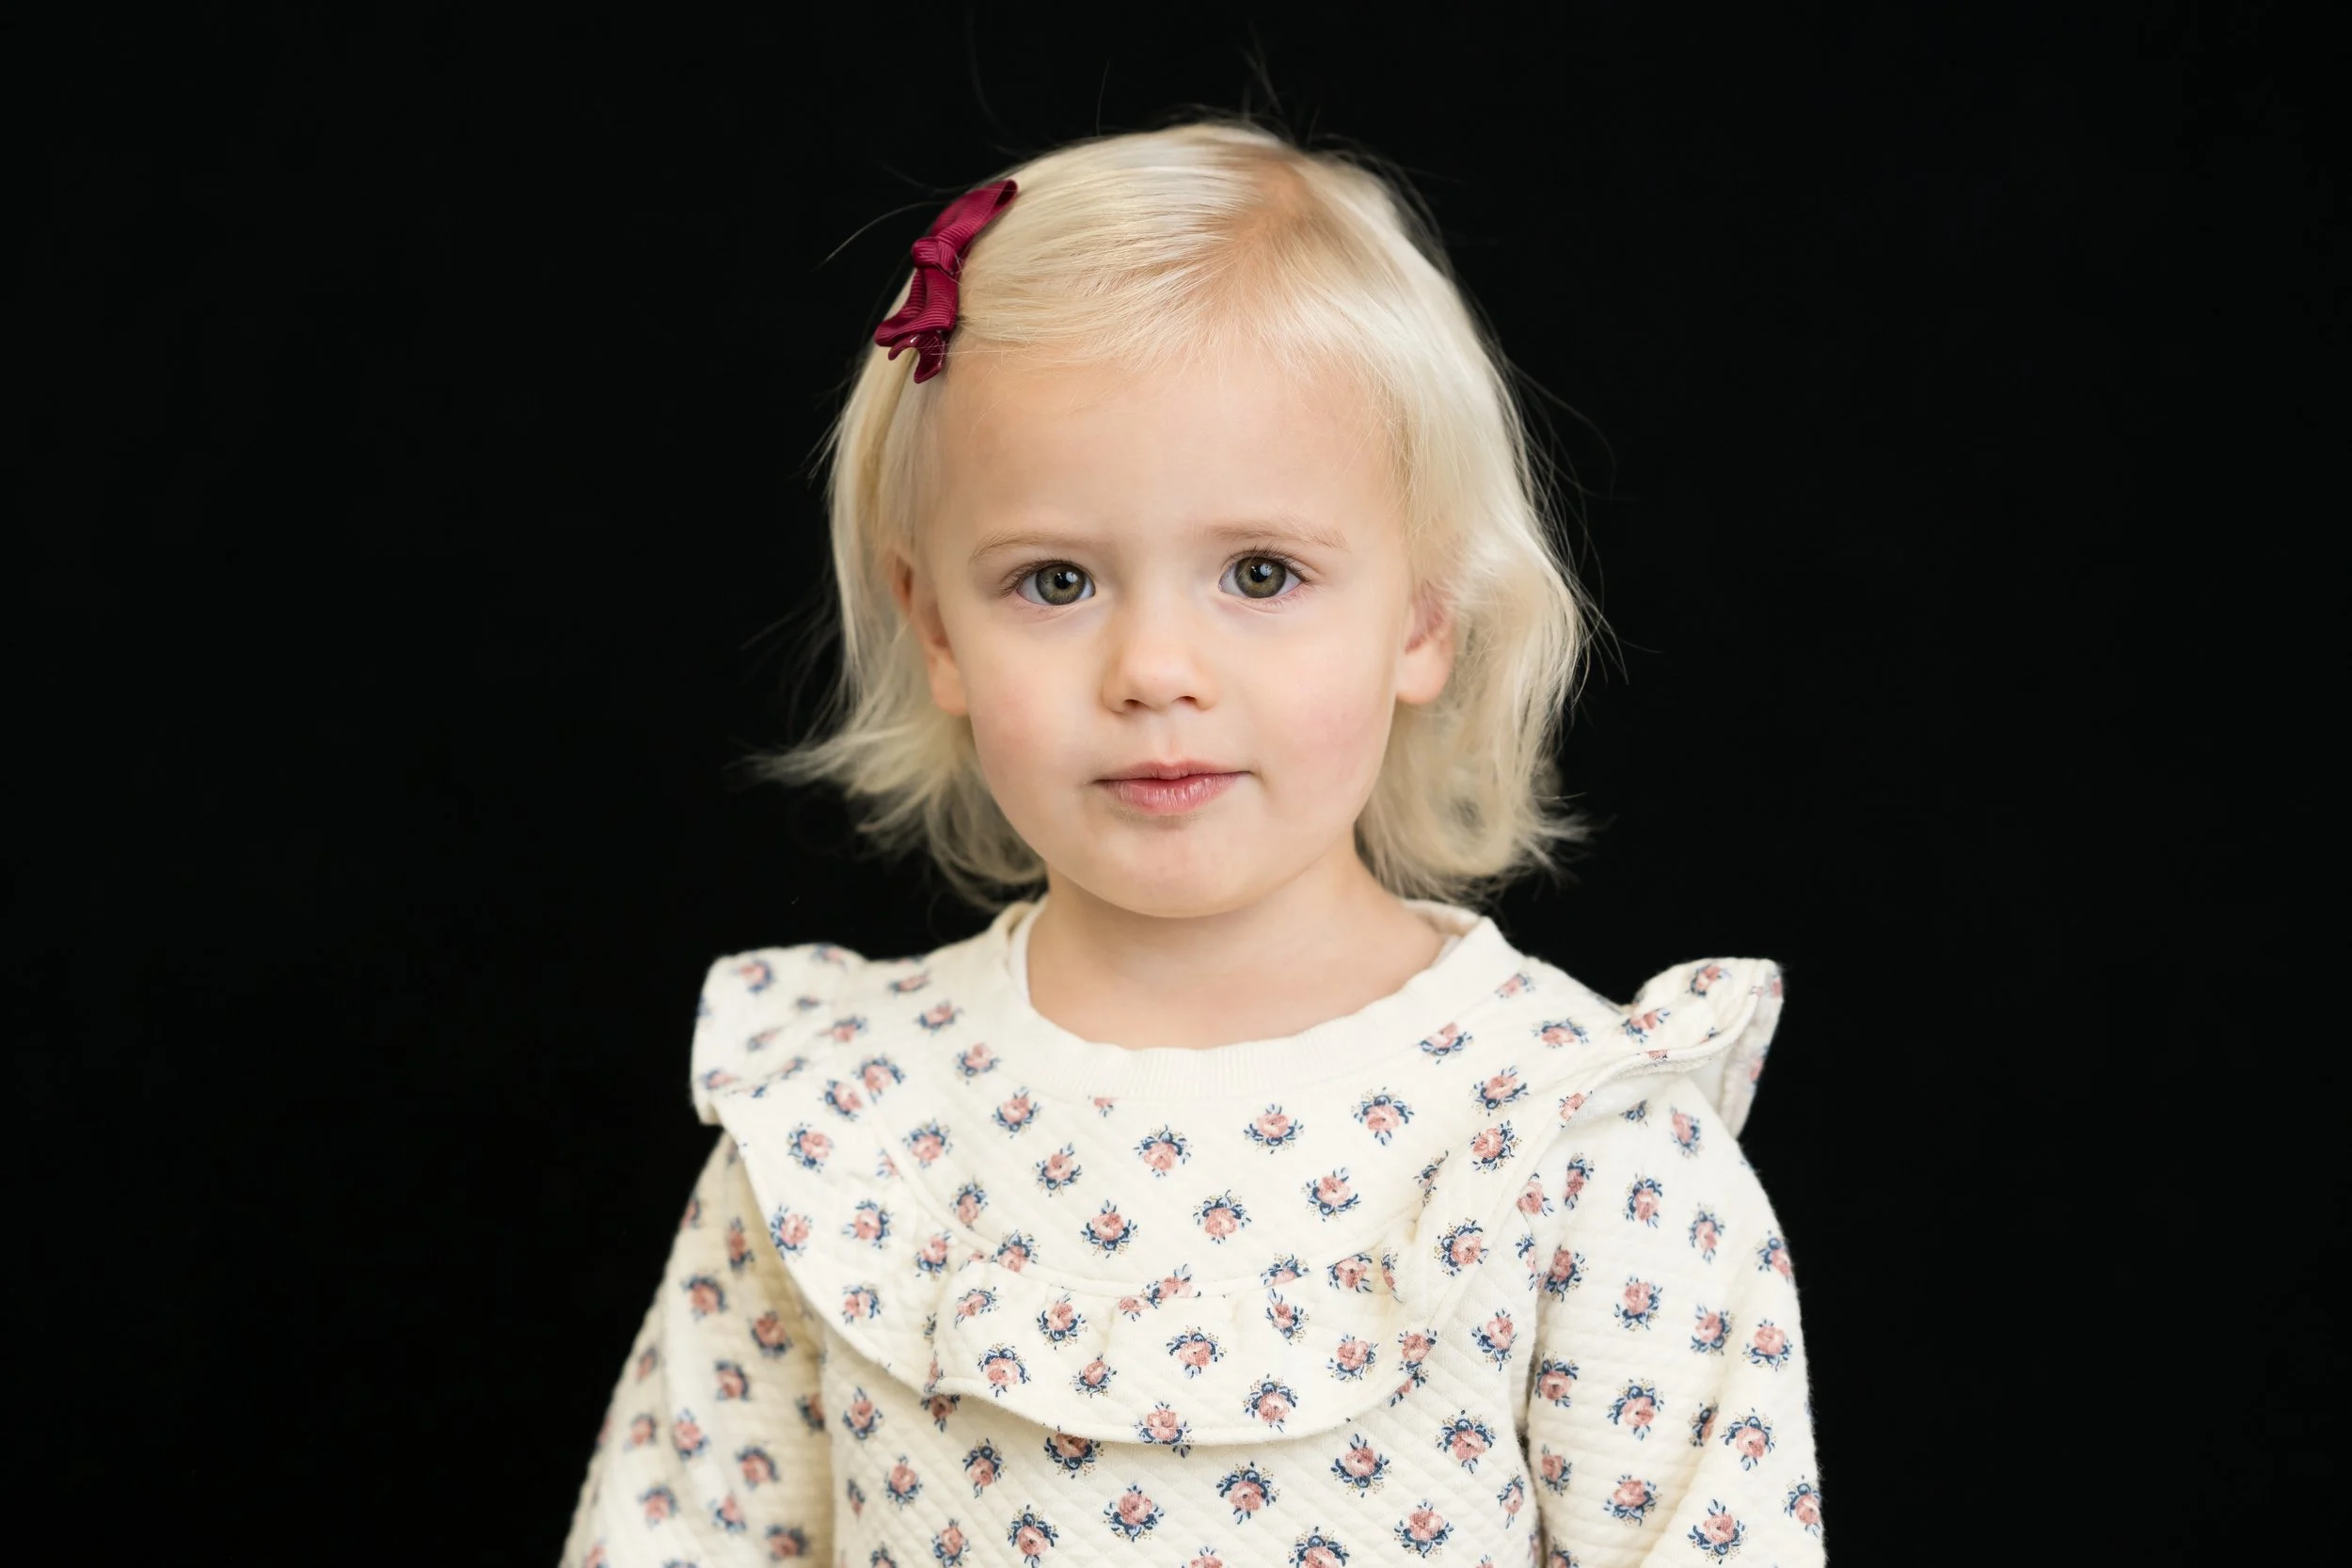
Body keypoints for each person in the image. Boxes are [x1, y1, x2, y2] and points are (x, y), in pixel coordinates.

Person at [562, 116, 1822, 1568]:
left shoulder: (1571, 1145)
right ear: (936, 626)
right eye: (1053, 580)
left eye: (1261, 573)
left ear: (1423, 615)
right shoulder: (841, 1129)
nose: (1155, 666)